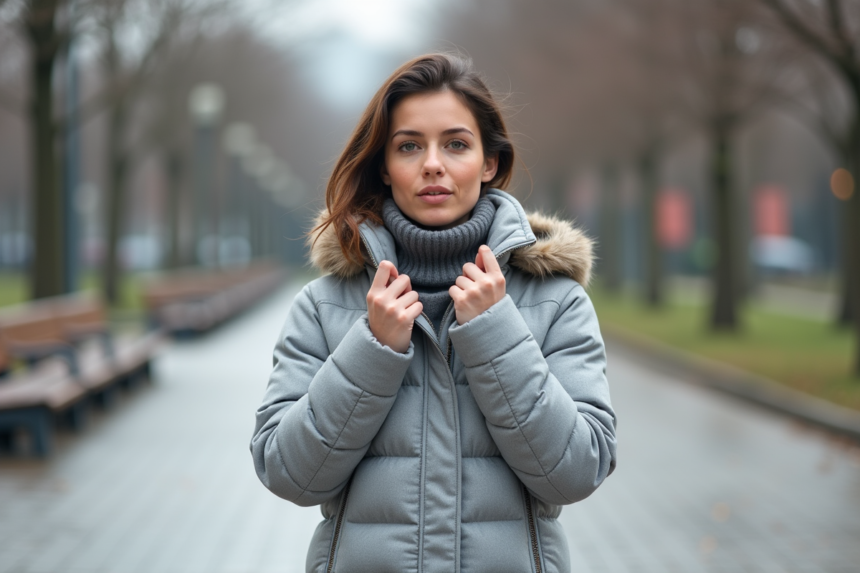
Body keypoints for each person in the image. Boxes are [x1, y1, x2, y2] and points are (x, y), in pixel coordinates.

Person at [250, 53, 617, 573]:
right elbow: (289, 475)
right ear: (384, 165)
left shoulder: (555, 300)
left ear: (490, 163)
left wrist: (496, 334)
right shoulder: (324, 304)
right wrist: (371, 350)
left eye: (456, 144)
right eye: (409, 146)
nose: (432, 164)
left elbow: (577, 473)